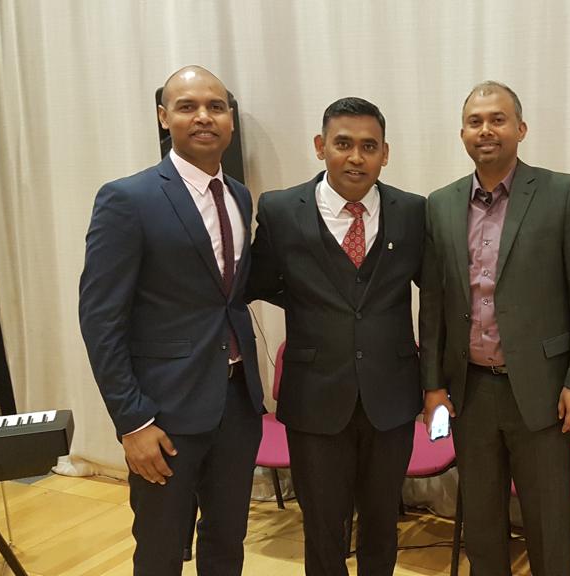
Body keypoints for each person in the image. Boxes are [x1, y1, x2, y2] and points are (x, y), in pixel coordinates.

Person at [79, 65, 264, 575]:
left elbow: (227, 297)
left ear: (230, 120)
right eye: (187, 107)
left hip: (237, 403)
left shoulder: (239, 195)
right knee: (160, 551)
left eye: (216, 107)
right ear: (164, 117)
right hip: (164, 414)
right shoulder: (127, 199)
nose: (204, 117)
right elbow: (100, 319)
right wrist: (132, 421)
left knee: (227, 542)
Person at [419, 81, 570, 576]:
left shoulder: (562, 193)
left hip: (544, 392)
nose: (486, 130)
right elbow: (433, 304)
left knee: (548, 524)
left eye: (498, 119)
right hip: (470, 391)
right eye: (475, 121)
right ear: (462, 133)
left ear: (520, 129)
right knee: (481, 524)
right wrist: (433, 386)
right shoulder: (440, 204)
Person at [247, 97, 424, 576]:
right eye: (343, 144)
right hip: (314, 395)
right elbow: (258, 282)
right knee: (323, 527)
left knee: (382, 523)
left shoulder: (412, 211)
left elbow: (435, 294)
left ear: (385, 153)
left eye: (369, 146)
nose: (355, 157)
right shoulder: (281, 209)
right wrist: (312, 304)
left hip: (391, 396)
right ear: (320, 146)